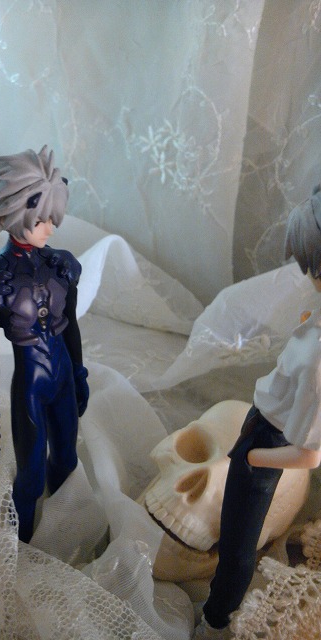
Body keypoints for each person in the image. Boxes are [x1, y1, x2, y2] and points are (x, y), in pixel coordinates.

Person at [194, 186, 321, 639]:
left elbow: (309, 454)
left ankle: (216, 620)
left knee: (238, 546)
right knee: (235, 537)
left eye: (312, 266)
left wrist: (252, 458)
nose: (307, 275)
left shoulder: (319, 358)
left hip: (267, 443)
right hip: (259, 429)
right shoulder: (315, 322)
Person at [0, 146, 89, 543]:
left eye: (53, 217)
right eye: (41, 219)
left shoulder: (62, 265)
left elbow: (71, 325)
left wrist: (80, 372)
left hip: (63, 375)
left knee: (66, 461)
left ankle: (61, 533)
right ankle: (20, 550)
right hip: (31, 386)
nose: (49, 228)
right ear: (13, 212)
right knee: (31, 477)